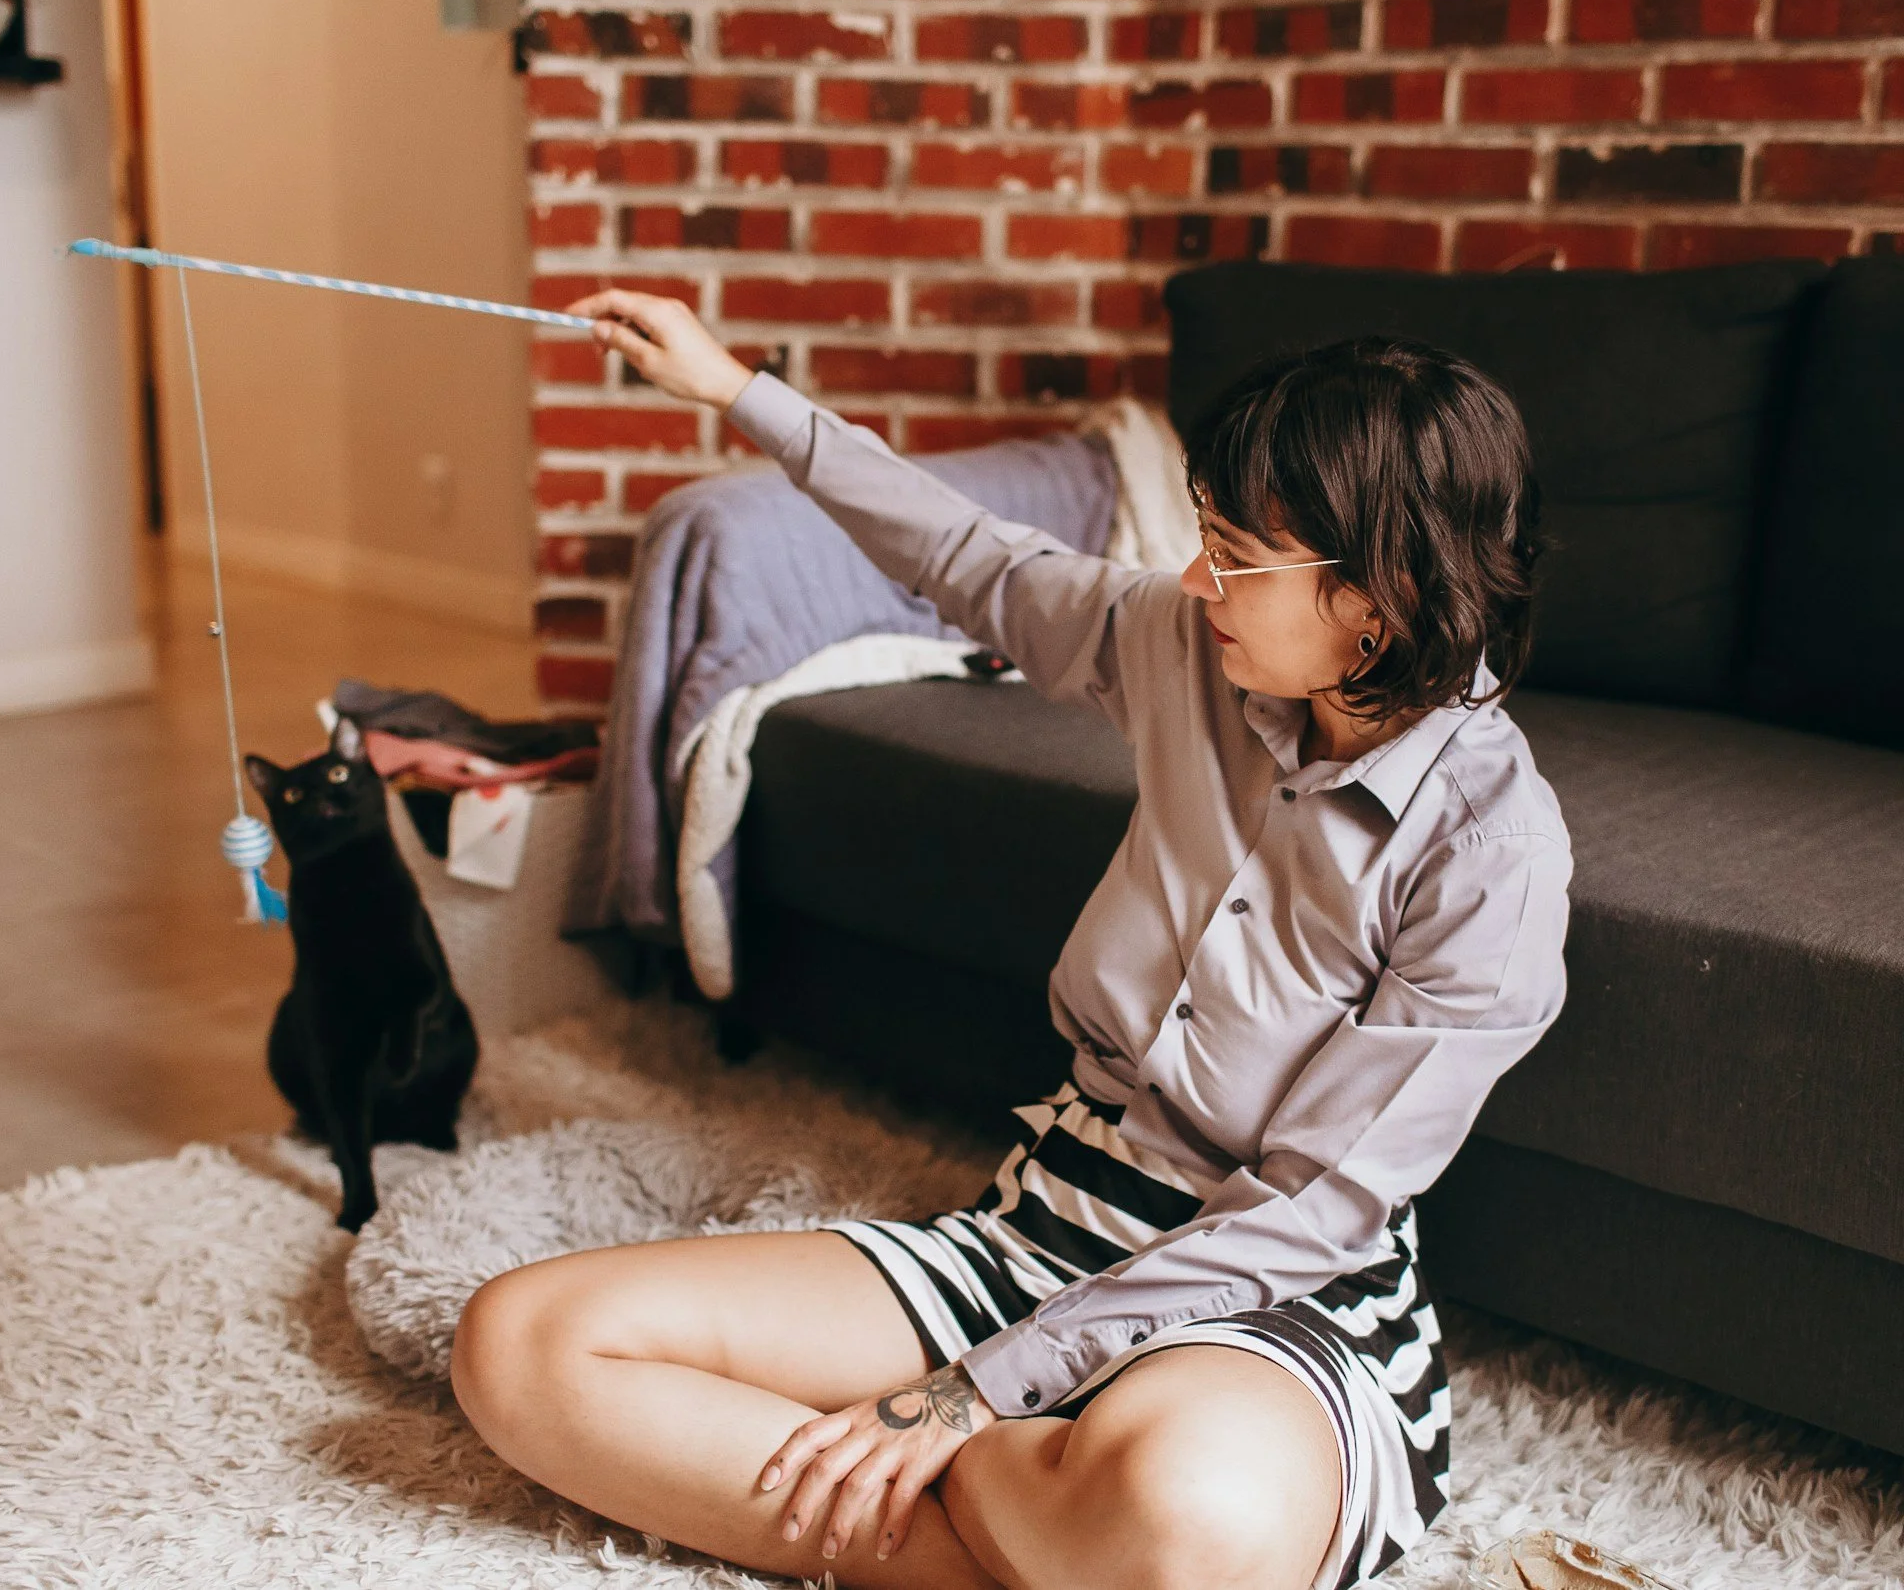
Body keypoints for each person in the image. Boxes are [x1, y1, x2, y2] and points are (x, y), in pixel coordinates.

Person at [449, 288, 1574, 1590]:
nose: (1197, 579)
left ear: (1384, 599)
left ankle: (1013, 1497)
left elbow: (1316, 1205)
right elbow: (969, 555)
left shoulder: (1492, 853)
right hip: (1043, 1229)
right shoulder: (1182, 649)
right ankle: (1019, 1543)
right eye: (1201, 538)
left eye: (1237, 556)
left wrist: (970, 1396)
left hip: (1269, 1298)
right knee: (522, 1342)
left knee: (1180, 1522)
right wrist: (734, 388)